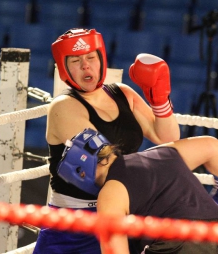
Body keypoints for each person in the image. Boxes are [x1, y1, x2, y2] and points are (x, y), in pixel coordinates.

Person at [33, 28, 180, 253]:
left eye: (91, 57)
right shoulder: (64, 107)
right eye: (76, 60)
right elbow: (107, 165)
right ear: (64, 68)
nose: (85, 66)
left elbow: (168, 138)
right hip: (74, 227)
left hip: (121, 212)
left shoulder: (123, 94)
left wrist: (159, 100)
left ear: (102, 59)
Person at [58, 128, 218, 254]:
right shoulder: (160, 153)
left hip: (179, 245)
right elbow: (211, 146)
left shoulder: (110, 193)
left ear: (80, 173)